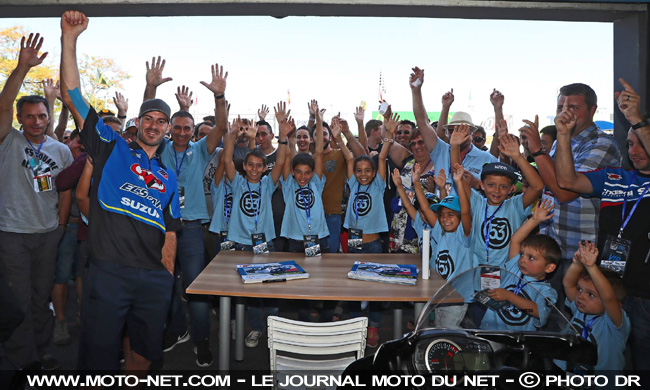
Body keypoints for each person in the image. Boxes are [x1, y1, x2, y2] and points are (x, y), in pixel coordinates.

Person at [60, 10, 182, 373]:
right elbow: (73, 96)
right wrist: (70, 38)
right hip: (109, 271)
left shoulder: (169, 175)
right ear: (137, 123)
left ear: (168, 129)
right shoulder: (111, 147)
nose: (155, 125)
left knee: (144, 357)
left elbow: (171, 228)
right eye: (149, 119)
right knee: (98, 359)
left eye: (162, 121)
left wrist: (166, 274)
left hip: (153, 278)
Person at [554, 78, 649, 370]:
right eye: (629, 144)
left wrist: (635, 119)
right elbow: (568, 182)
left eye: (641, 143)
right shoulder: (616, 177)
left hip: (646, 295)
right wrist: (564, 135)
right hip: (608, 285)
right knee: (606, 364)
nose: (634, 151)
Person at [0, 32, 73, 371]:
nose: (37, 121)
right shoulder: (8, 140)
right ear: (19, 119)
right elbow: (2, 105)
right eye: (29, 116)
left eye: (42, 116)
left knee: (41, 295)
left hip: (47, 234)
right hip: (12, 233)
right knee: (18, 298)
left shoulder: (60, 150)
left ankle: (42, 350)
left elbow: (65, 192)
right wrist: (21, 68)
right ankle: (19, 359)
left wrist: (59, 227)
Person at [155, 65, 227, 367]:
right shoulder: (158, 149)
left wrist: (220, 96)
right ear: (170, 129)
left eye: (188, 128)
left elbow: (221, 127)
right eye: (178, 127)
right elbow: (148, 122)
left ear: (193, 130)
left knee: (195, 289)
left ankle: (201, 340)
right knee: (164, 286)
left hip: (192, 230)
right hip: (160, 229)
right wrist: (153, 90)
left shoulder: (200, 150)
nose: (183, 132)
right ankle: (177, 330)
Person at [518, 83, 622, 274]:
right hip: (552, 247)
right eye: (560, 108)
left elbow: (565, 193)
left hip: (581, 253)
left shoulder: (602, 144)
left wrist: (537, 151)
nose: (565, 114)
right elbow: (549, 184)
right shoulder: (560, 141)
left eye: (573, 108)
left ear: (593, 110)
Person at [222, 115, 290, 347]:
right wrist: (231, 135)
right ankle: (257, 328)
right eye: (250, 165)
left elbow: (280, 163)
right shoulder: (238, 182)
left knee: (269, 289)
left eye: (258, 166)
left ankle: (274, 327)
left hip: (265, 244)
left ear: (263, 169)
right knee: (249, 291)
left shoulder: (267, 184)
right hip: (240, 244)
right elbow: (227, 161)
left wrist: (282, 136)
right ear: (245, 166)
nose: (253, 169)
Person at [451, 125, 543, 267]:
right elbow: (458, 174)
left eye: (503, 187)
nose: (497, 191)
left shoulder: (515, 205)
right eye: (491, 185)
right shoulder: (477, 202)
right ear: (482, 185)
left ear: (512, 189)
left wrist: (517, 157)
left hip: (508, 271)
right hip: (477, 269)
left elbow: (537, 186)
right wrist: (454, 147)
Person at [344, 113, 396, 348]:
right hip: (353, 244)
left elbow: (383, 157)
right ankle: (355, 326)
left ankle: (373, 326)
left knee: (374, 286)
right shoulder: (353, 183)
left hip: (374, 244)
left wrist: (388, 136)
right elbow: (348, 157)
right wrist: (338, 137)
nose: (363, 174)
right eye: (359, 170)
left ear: (374, 173)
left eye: (367, 170)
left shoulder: (377, 183)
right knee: (353, 286)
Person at [410, 67, 496, 192]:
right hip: (441, 210)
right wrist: (416, 90)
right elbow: (422, 122)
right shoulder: (440, 150)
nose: (457, 133)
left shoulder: (487, 159)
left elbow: (497, 194)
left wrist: (477, 184)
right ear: (448, 132)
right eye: (452, 129)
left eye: (462, 129)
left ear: (472, 133)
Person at [480, 199, 559, 331]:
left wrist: (509, 296)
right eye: (522, 254)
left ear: (549, 267)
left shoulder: (546, 291)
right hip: (488, 331)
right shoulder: (514, 268)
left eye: (531, 258)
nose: (522, 260)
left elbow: (538, 312)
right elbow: (515, 240)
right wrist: (534, 220)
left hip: (516, 342)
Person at [555, 241, 630, 373]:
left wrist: (591, 267)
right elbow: (568, 284)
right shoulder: (578, 309)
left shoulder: (614, 324)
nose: (581, 296)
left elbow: (608, 297)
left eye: (591, 294)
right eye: (580, 289)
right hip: (568, 375)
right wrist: (577, 264)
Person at [280, 102, 329, 253]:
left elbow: (319, 153)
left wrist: (319, 121)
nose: (303, 177)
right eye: (298, 172)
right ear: (293, 172)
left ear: (313, 173)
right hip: (295, 239)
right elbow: (287, 156)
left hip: (319, 236)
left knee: (320, 274)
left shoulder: (316, 183)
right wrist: (287, 136)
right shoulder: (289, 185)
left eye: (307, 172)